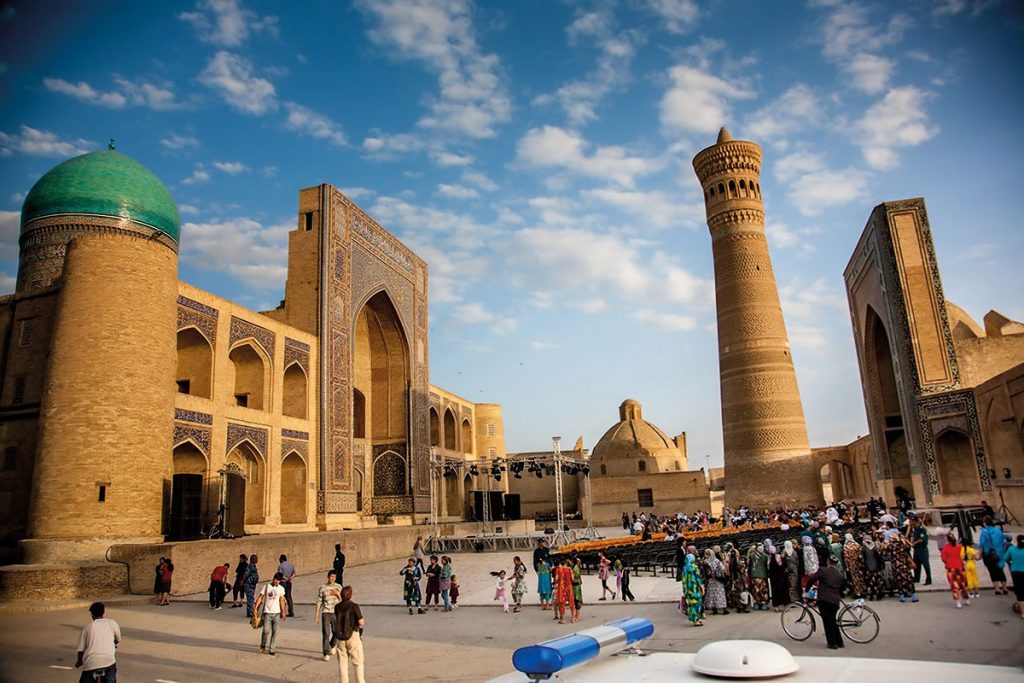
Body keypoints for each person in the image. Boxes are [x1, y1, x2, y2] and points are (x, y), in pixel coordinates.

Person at [805, 556, 845, 650]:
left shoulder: (823, 570)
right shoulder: (840, 575)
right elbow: (842, 588)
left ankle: (832, 643)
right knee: (832, 620)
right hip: (835, 601)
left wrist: (807, 589)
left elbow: (811, 579)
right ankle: (839, 642)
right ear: (836, 564)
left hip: (824, 600)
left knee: (827, 621)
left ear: (828, 562)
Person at [76, 602, 121, 683]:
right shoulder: (112, 623)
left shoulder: (87, 628)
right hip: (108, 661)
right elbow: (118, 639)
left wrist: (79, 662)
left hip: (91, 663)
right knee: (111, 679)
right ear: (104, 612)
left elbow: (81, 650)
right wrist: (113, 643)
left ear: (92, 614)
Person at [333, 585, 366, 683]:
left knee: (343, 665)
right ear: (351, 595)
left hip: (341, 637)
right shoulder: (354, 606)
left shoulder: (337, 607)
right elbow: (361, 622)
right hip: (353, 636)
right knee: (357, 663)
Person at [253, 572, 287, 656]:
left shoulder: (281, 588)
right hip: (267, 612)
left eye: (279, 581)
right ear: (274, 578)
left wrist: (283, 612)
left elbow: (282, 600)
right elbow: (260, 598)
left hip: (276, 613)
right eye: (277, 580)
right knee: (266, 630)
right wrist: (255, 608)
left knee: (275, 631)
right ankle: (263, 644)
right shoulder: (266, 587)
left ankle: (272, 649)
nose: (277, 582)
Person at [314, 570, 343, 661]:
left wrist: (338, 594)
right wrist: (316, 615)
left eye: (334, 577)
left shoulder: (338, 587)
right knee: (326, 633)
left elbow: (343, 600)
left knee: (337, 632)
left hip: (336, 612)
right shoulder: (322, 588)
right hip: (326, 612)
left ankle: (332, 644)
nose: (332, 579)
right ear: (328, 577)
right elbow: (319, 602)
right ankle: (326, 652)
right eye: (331, 577)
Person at [979, 516, 1009, 595]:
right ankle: (1005, 588)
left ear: (985, 523)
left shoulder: (984, 531)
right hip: (999, 553)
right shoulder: (998, 530)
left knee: (992, 571)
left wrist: (979, 555)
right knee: (1000, 570)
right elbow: (1003, 542)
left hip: (989, 554)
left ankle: (997, 589)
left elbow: (982, 544)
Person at [940, 533, 970, 608]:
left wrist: (947, 562)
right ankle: (966, 599)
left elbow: (943, 559)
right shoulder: (959, 547)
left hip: (951, 568)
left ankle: (958, 601)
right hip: (960, 567)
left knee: (954, 585)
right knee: (963, 584)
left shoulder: (945, 548)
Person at [999, 534, 1024, 619]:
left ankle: (1023, 612)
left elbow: (1005, 558)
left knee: (1020, 592)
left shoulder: (1012, 549)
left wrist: (1013, 561)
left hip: (1016, 572)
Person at [680, 553, 704, 627]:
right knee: (696, 604)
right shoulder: (695, 567)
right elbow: (699, 579)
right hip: (695, 589)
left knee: (691, 604)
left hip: (688, 589)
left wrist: (684, 589)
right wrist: (702, 588)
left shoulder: (685, 568)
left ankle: (695, 619)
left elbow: (683, 581)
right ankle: (696, 620)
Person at [703, 548, 729, 615]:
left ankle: (714, 609)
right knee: (720, 594)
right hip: (718, 580)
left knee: (712, 594)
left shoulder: (706, 562)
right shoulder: (717, 561)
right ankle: (723, 608)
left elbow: (706, 572)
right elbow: (722, 568)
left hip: (711, 580)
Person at [908, 516, 932, 585]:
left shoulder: (921, 529)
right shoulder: (915, 529)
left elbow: (921, 539)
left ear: (914, 521)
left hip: (922, 549)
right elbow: (913, 537)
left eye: (910, 521)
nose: (909, 522)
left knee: (925, 564)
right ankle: (916, 578)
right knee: (916, 564)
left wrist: (914, 543)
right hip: (916, 549)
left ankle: (928, 579)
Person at [747, 542, 769, 610]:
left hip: (754, 575)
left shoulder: (751, 556)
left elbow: (749, 565)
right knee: (763, 590)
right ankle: (763, 604)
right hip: (762, 574)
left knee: (755, 590)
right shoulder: (765, 556)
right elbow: (767, 566)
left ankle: (756, 603)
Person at [843, 534, 866, 598]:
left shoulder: (846, 546)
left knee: (854, 578)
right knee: (860, 577)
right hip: (858, 563)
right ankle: (863, 591)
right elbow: (861, 555)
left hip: (851, 564)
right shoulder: (857, 544)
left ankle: (857, 592)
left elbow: (846, 557)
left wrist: (847, 566)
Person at [553, 558, 575, 624]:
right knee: (571, 601)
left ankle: (562, 619)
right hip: (569, 586)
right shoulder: (569, 569)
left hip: (561, 587)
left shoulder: (558, 569)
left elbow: (556, 579)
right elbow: (572, 579)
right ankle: (572, 618)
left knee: (561, 602)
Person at [767, 545, 788, 612]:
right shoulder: (779, 557)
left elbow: (768, 569)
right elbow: (782, 567)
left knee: (775, 592)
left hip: (773, 578)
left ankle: (776, 607)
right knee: (782, 591)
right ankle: (785, 606)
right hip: (781, 577)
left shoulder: (768, 559)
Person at [571, 557, 584, 621]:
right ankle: (576, 615)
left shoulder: (574, 569)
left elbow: (573, 578)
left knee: (576, 600)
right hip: (577, 586)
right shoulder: (576, 568)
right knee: (576, 600)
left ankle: (577, 615)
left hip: (575, 586)